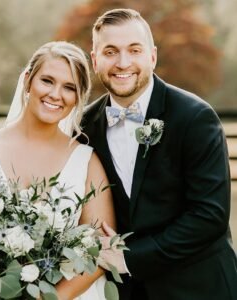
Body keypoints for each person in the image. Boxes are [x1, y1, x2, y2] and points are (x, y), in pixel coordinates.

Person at [78, 8, 237, 300]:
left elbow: (209, 215)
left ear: (152, 56)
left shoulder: (195, 117)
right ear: (95, 59)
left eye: (133, 50)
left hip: (199, 287)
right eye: (110, 51)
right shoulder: (85, 127)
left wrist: (129, 258)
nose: (122, 62)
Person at [0, 41, 116, 300]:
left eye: (69, 87)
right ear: (27, 81)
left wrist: (47, 298)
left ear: (78, 98)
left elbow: (101, 252)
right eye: (47, 81)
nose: (56, 94)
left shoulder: (86, 162)